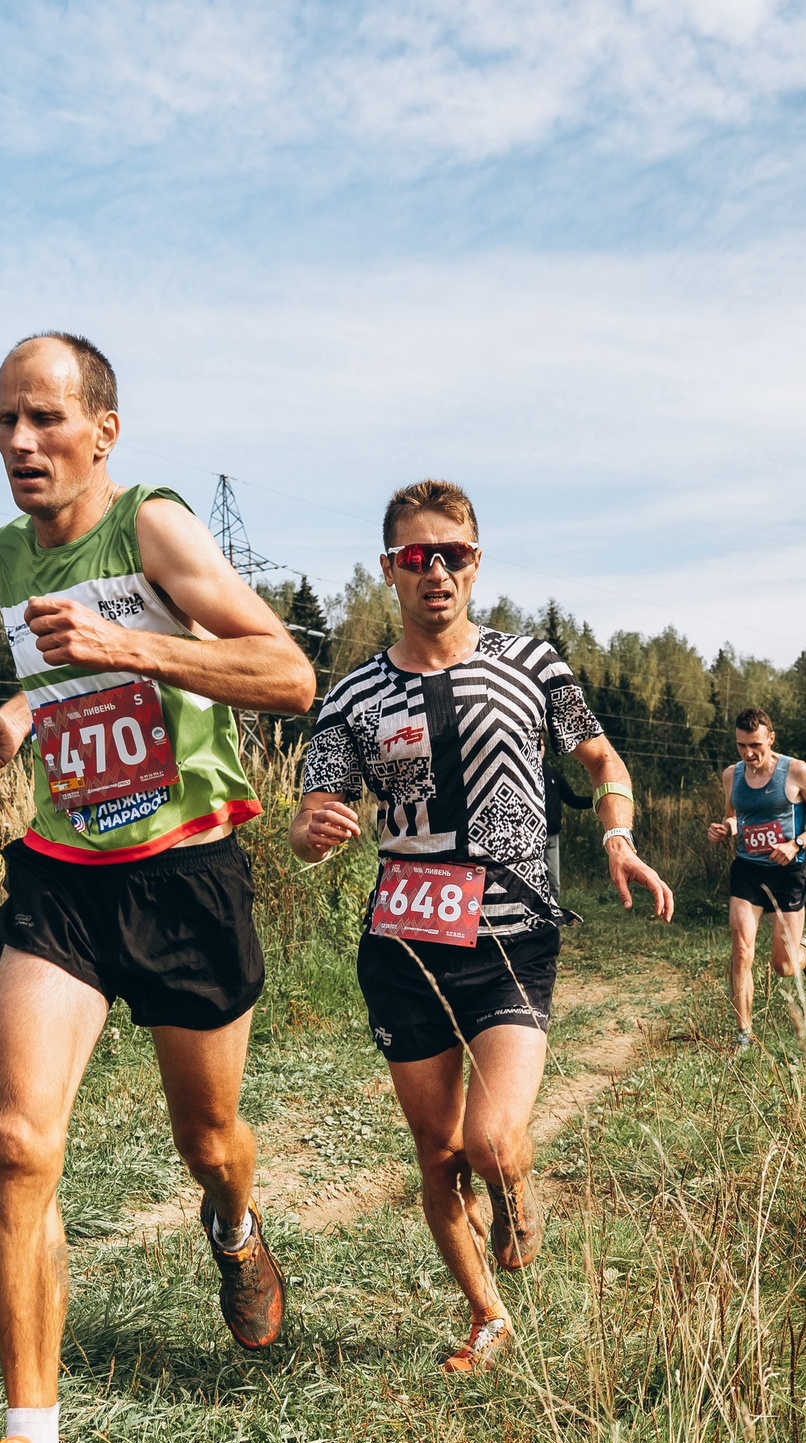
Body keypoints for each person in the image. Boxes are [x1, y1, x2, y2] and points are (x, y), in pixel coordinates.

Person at [0, 333, 316, 1443]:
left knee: (205, 1139)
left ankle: (235, 1222)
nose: (20, 445)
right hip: (65, 875)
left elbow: (289, 674)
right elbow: (57, 675)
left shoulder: (154, 529)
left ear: (103, 430)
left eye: (44, 419)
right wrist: (18, 714)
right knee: (18, 1139)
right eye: (3, 421)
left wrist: (130, 645)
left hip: (187, 868)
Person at [290, 479, 673, 1374]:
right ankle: (487, 1317)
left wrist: (616, 832)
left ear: (476, 561)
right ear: (388, 568)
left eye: (452, 554)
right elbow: (313, 816)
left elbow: (600, 755)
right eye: (416, 556)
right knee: (438, 1154)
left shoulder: (533, 664)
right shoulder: (353, 697)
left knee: (494, 1143)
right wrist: (311, 830)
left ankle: (514, 1188)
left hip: (510, 935)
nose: (435, 572)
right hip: (404, 946)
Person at [706, 708, 806, 1051]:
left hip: (788, 872)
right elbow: (735, 817)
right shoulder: (731, 775)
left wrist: (796, 844)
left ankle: (805, 949)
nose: (748, 753)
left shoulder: (795, 771)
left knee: (783, 965)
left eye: (755, 745)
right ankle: (744, 1035)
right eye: (741, 745)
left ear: (771, 739)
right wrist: (726, 828)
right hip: (748, 870)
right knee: (741, 949)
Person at [541, 754, 593, 920]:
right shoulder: (525, 773)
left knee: (554, 882)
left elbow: (573, 800)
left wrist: (598, 800)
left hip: (553, 837)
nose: (539, 749)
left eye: (541, 746)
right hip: (534, 838)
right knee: (535, 882)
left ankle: (552, 918)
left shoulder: (553, 773)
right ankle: (534, 918)